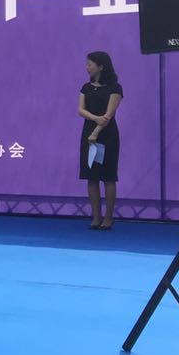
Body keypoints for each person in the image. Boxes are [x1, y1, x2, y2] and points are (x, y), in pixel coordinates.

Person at [79, 50, 123, 230]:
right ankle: (96, 216)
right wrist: (95, 119)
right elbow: (81, 110)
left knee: (108, 177)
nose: (87, 67)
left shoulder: (115, 88)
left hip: (107, 135)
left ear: (101, 66)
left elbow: (108, 115)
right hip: (89, 134)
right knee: (92, 177)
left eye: (90, 64)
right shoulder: (86, 87)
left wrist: (96, 131)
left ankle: (109, 217)